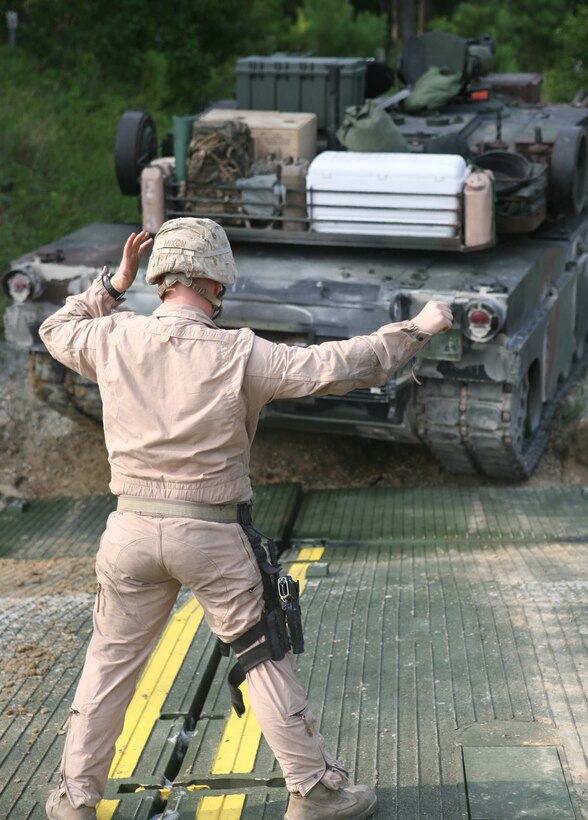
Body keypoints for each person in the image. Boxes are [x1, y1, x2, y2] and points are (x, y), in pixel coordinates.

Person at [40, 217, 453, 820]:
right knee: (261, 655)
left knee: (107, 667)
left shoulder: (113, 337)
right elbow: (340, 365)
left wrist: (113, 283)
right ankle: (313, 791)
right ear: (218, 281)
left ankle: (76, 800)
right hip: (210, 534)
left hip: (128, 532)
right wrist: (418, 327)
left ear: (159, 279)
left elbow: (57, 328)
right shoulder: (239, 353)